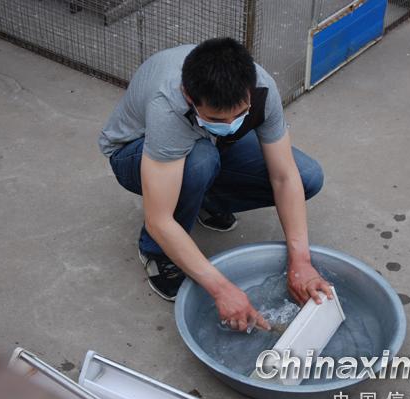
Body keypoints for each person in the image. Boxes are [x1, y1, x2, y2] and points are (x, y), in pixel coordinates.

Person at [98, 38, 333, 332]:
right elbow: (159, 220)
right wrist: (222, 289)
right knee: (200, 161)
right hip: (134, 151)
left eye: (240, 114)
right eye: (216, 118)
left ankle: (203, 199)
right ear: (188, 96)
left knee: (308, 176)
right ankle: (156, 252)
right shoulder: (168, 106)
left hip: (207, 141)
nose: (230, 122)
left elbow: (285, 177)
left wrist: (301, 260)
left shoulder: (262, 87)